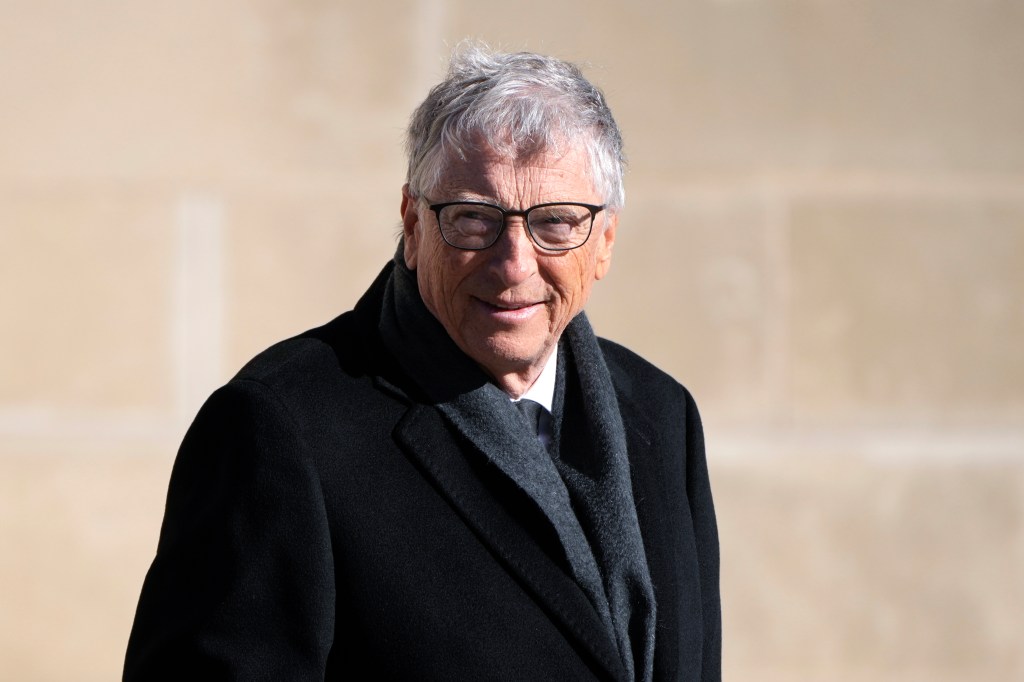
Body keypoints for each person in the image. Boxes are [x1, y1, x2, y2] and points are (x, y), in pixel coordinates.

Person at [124, 45, 720, 682]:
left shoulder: (661, 414)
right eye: (473, 220)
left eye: (555, 223)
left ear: (604, 243)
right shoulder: (279, 428)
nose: (514, 262)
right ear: (412, 223)